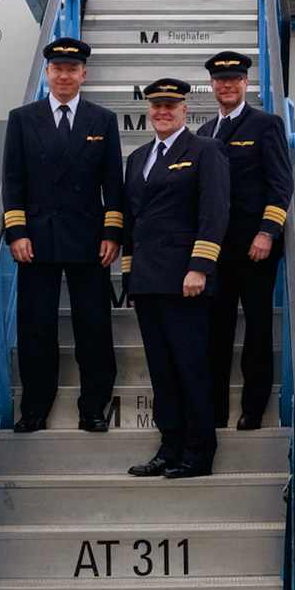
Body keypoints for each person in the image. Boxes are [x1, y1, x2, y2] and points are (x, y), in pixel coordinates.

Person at [0, 37, 123, 433]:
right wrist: (16, 231)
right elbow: (12, 181)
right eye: (58, 69)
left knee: (94, 326)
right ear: (47, 73)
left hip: (89, 239)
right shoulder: (22, 118)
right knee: (36, 328)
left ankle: (93, 408)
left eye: (72, 70)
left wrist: (112, 232)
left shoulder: (102, 120)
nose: (64, 76)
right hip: (36, 239)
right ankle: (35, 408)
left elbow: (113, 183)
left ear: (84, 74)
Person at [121, 78, 230, 478]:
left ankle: (198, 452)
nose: (163, 112)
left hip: (186, 279)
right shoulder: (138, 158)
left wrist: (200, 267)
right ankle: (169, 448)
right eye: (156, 106)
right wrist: (130, 278)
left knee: (191, 368)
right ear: (149, 111)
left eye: (170, 105)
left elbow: (214, 212)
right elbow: (132, 221)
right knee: (162, 371)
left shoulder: (205, 150)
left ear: (185, 110)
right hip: (149, 281)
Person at [196, 52, 293, 430]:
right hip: (215, 251)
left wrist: (267, 232)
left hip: (255, 248)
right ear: (212, 86)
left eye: (234, 80)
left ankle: (253, 409)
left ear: (245, 84)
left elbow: (281, 184)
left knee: (256, 330)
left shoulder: (266, 125)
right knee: (216, 333)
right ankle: (216, 411)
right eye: (221, 81)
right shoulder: (205, 133)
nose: (227, 86)